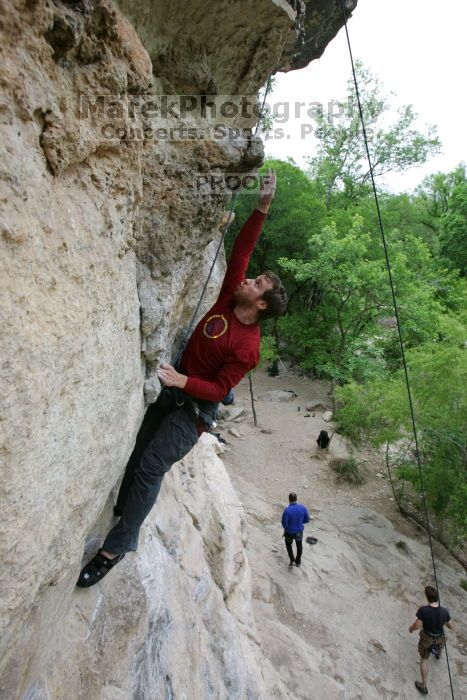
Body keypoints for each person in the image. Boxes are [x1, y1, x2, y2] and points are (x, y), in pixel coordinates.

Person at [77, 171, 287, 587]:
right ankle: (126, 510)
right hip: (177, 389)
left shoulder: (248, 346)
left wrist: (179, 382)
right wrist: (261, 206)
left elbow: (220, 391)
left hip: (192, 411)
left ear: (260, 304)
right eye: (254, 276)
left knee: (151, 467)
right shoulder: (231, 298)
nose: (247, 277)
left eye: (256, 282)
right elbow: (242, 251)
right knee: (138, 452)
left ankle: (117, 546)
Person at [409, 585, 454, 695]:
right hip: (439, 638)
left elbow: (417, 625)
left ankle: (423, 686)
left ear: (427, 597)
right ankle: (438, 653)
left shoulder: (423, 610)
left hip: (427, 639)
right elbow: (451, 626)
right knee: (440, 643)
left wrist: (411, 629)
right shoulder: (444, 611)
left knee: (424, 660)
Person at [281, 492, 310, 567]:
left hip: (289, 532)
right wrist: (300, 522)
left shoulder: (287, 510)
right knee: (299, 545)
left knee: (288, 544)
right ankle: (298, 562)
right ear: (296, 499)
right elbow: (307, 519)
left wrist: (287, 528)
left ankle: (292, 560)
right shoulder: (303, 507)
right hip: (299, 532)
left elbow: (284, 524)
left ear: (289, 500)